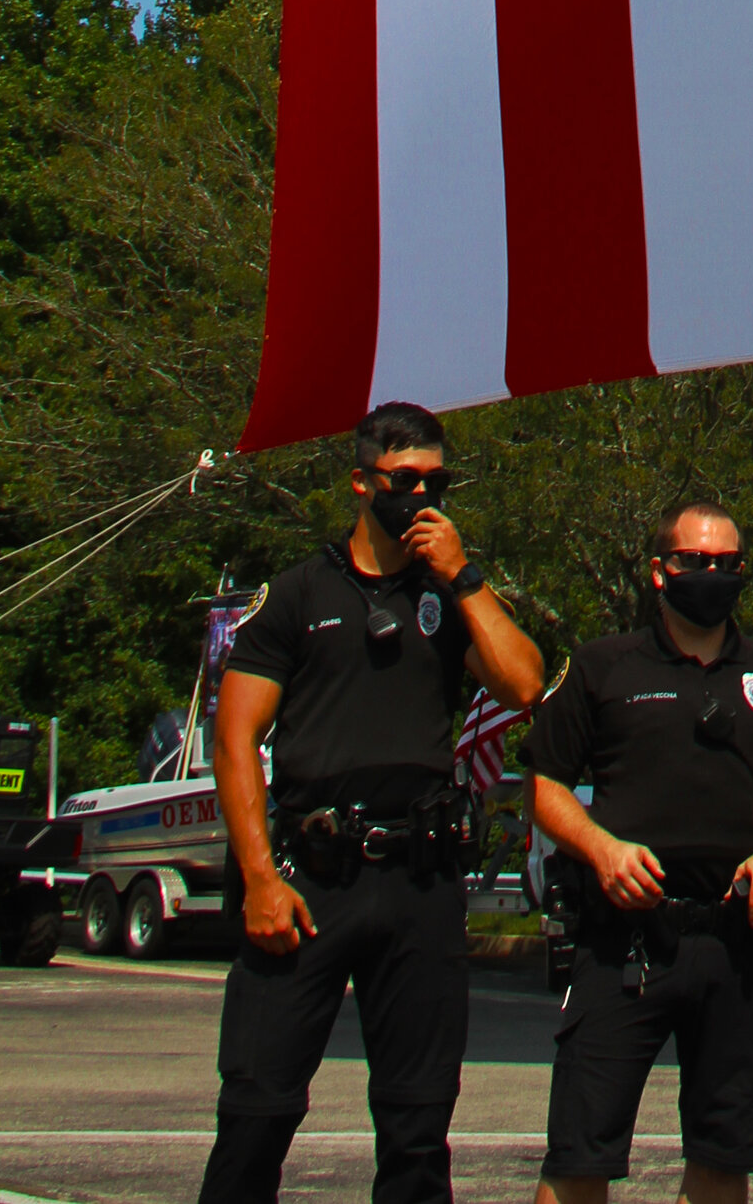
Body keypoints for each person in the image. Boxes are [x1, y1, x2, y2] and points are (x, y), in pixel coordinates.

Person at [196, 399, 545, 1204]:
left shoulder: (452, 595)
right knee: (258, 1111)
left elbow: (524, 683)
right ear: (362, 482)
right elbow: (236, 739)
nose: (419, 495)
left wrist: (463, 576)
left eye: (435, 481)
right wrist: (257, 878)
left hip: (419, 882)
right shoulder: (296, 595)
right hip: (310, 878)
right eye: (403, 479)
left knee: (418, 1128)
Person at [527, 494, 753, 1204]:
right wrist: (600, 849)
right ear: (659, 570)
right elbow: (547, 788)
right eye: (693, 561)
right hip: (625, 945)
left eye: (726, 563)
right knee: (578, 1156)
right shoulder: (601, 667)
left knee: (723, 1156)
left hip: (740, 943)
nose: (710, 573)